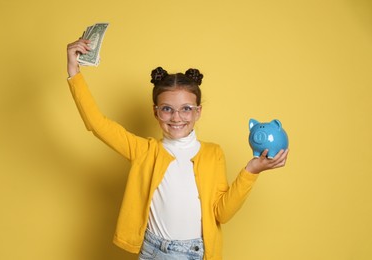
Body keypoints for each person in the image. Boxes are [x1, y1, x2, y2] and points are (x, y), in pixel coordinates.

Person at [66, 38, 289, 260]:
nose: (176, 117)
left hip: (192, 253)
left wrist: (251, 171)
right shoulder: (143, 151)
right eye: (167, 109)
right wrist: (74, 71)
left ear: (198, 112)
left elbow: (222, 213)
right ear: (155, 112)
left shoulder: (213, 153)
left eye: (186, 109)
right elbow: (98, 124)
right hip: (151, 249)